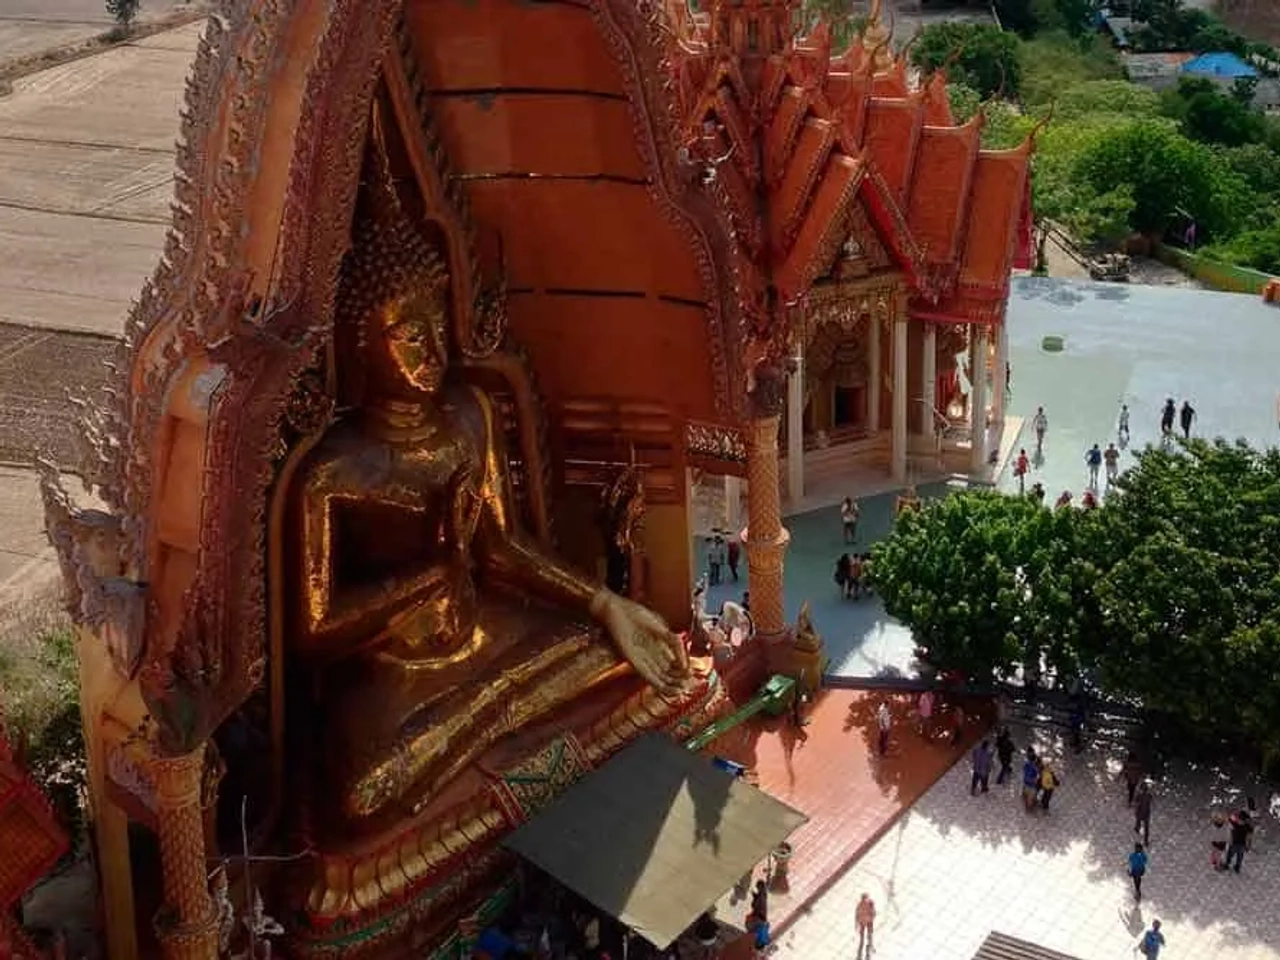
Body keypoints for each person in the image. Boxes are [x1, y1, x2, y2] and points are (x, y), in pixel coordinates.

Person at [1224, 807, 1253, 873]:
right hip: (1242, 844)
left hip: (1234, 844)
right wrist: (1248, 845)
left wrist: (1231, 815)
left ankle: (1227, 865)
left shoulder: (1236, 824)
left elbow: (1229, 819)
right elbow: (1250, 834)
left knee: (1230, 854)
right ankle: (1237, 867)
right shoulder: (1247, 826)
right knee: (1240, 857)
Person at [855, 893, 876, 957]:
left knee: (870, 935)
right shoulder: (859, 905)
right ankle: (864, 948)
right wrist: (856, 923)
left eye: (866, 899)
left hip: (868, 922)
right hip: (863, 922)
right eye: (864, 899)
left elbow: (874, 913)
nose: (864, 901)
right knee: (862, 937)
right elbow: (857, 915)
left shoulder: (870, 904)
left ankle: (870, 947)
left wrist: (871, 917)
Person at [1134, 780, 1153, 845]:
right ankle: (1146, 840)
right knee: (1146, 827)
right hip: (1146, 813)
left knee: (1138, 820)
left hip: (1140, 811)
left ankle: (1137, 827)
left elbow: (1136, 802)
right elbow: (1150, 800)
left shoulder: (1139, 796)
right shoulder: (1149, 796)